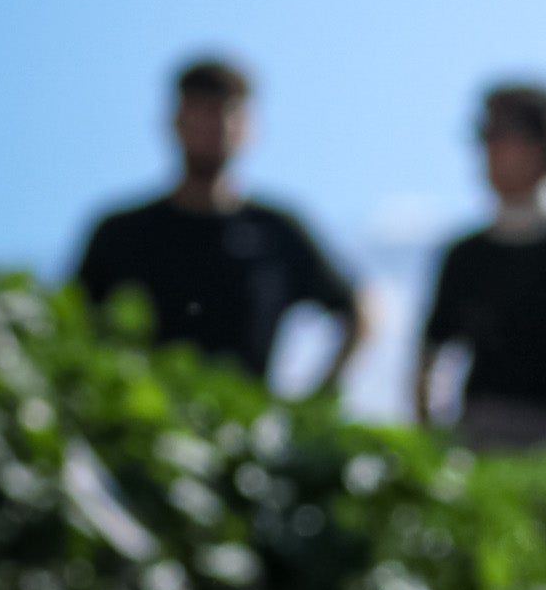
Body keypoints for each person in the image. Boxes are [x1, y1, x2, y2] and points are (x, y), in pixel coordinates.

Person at [74, 56, 365, 390]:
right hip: (132, 418)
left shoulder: (277, 233)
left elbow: (358, 311)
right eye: (202, 111)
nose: (215, 125)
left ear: (247, 128)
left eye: (227, 112)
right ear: (176, 122)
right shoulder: (120, 235)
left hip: (242, 420)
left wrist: (317, 399)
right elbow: (68, 330)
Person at [415, 83, 546, 448]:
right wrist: (434, 444)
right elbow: (429, 358)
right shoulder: (465, 256)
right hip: (478, 442)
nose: (490, 150)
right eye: (485, 136)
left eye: (504, 134)